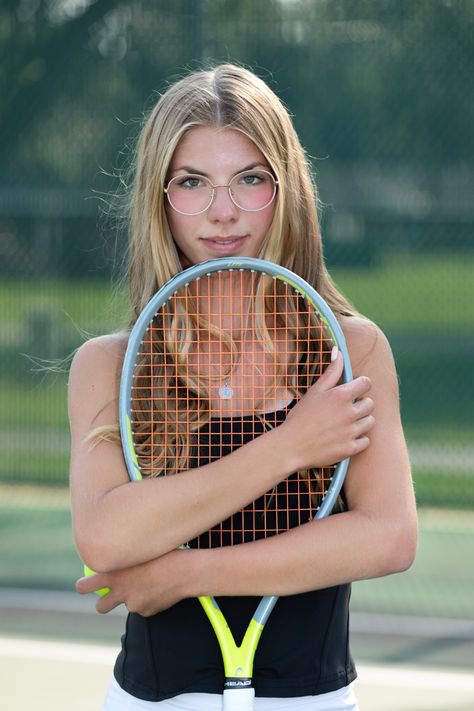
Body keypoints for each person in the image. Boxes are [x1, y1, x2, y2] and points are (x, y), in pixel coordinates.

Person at [69, 64, 417, 710]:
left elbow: (388, 536)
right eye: (192, 182)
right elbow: (107, 537)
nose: (222, 211)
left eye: (250, 179)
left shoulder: (348, 350)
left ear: (287, 191)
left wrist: (183, 573)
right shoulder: (110, 365)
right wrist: (291, 445)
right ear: (159, 197)